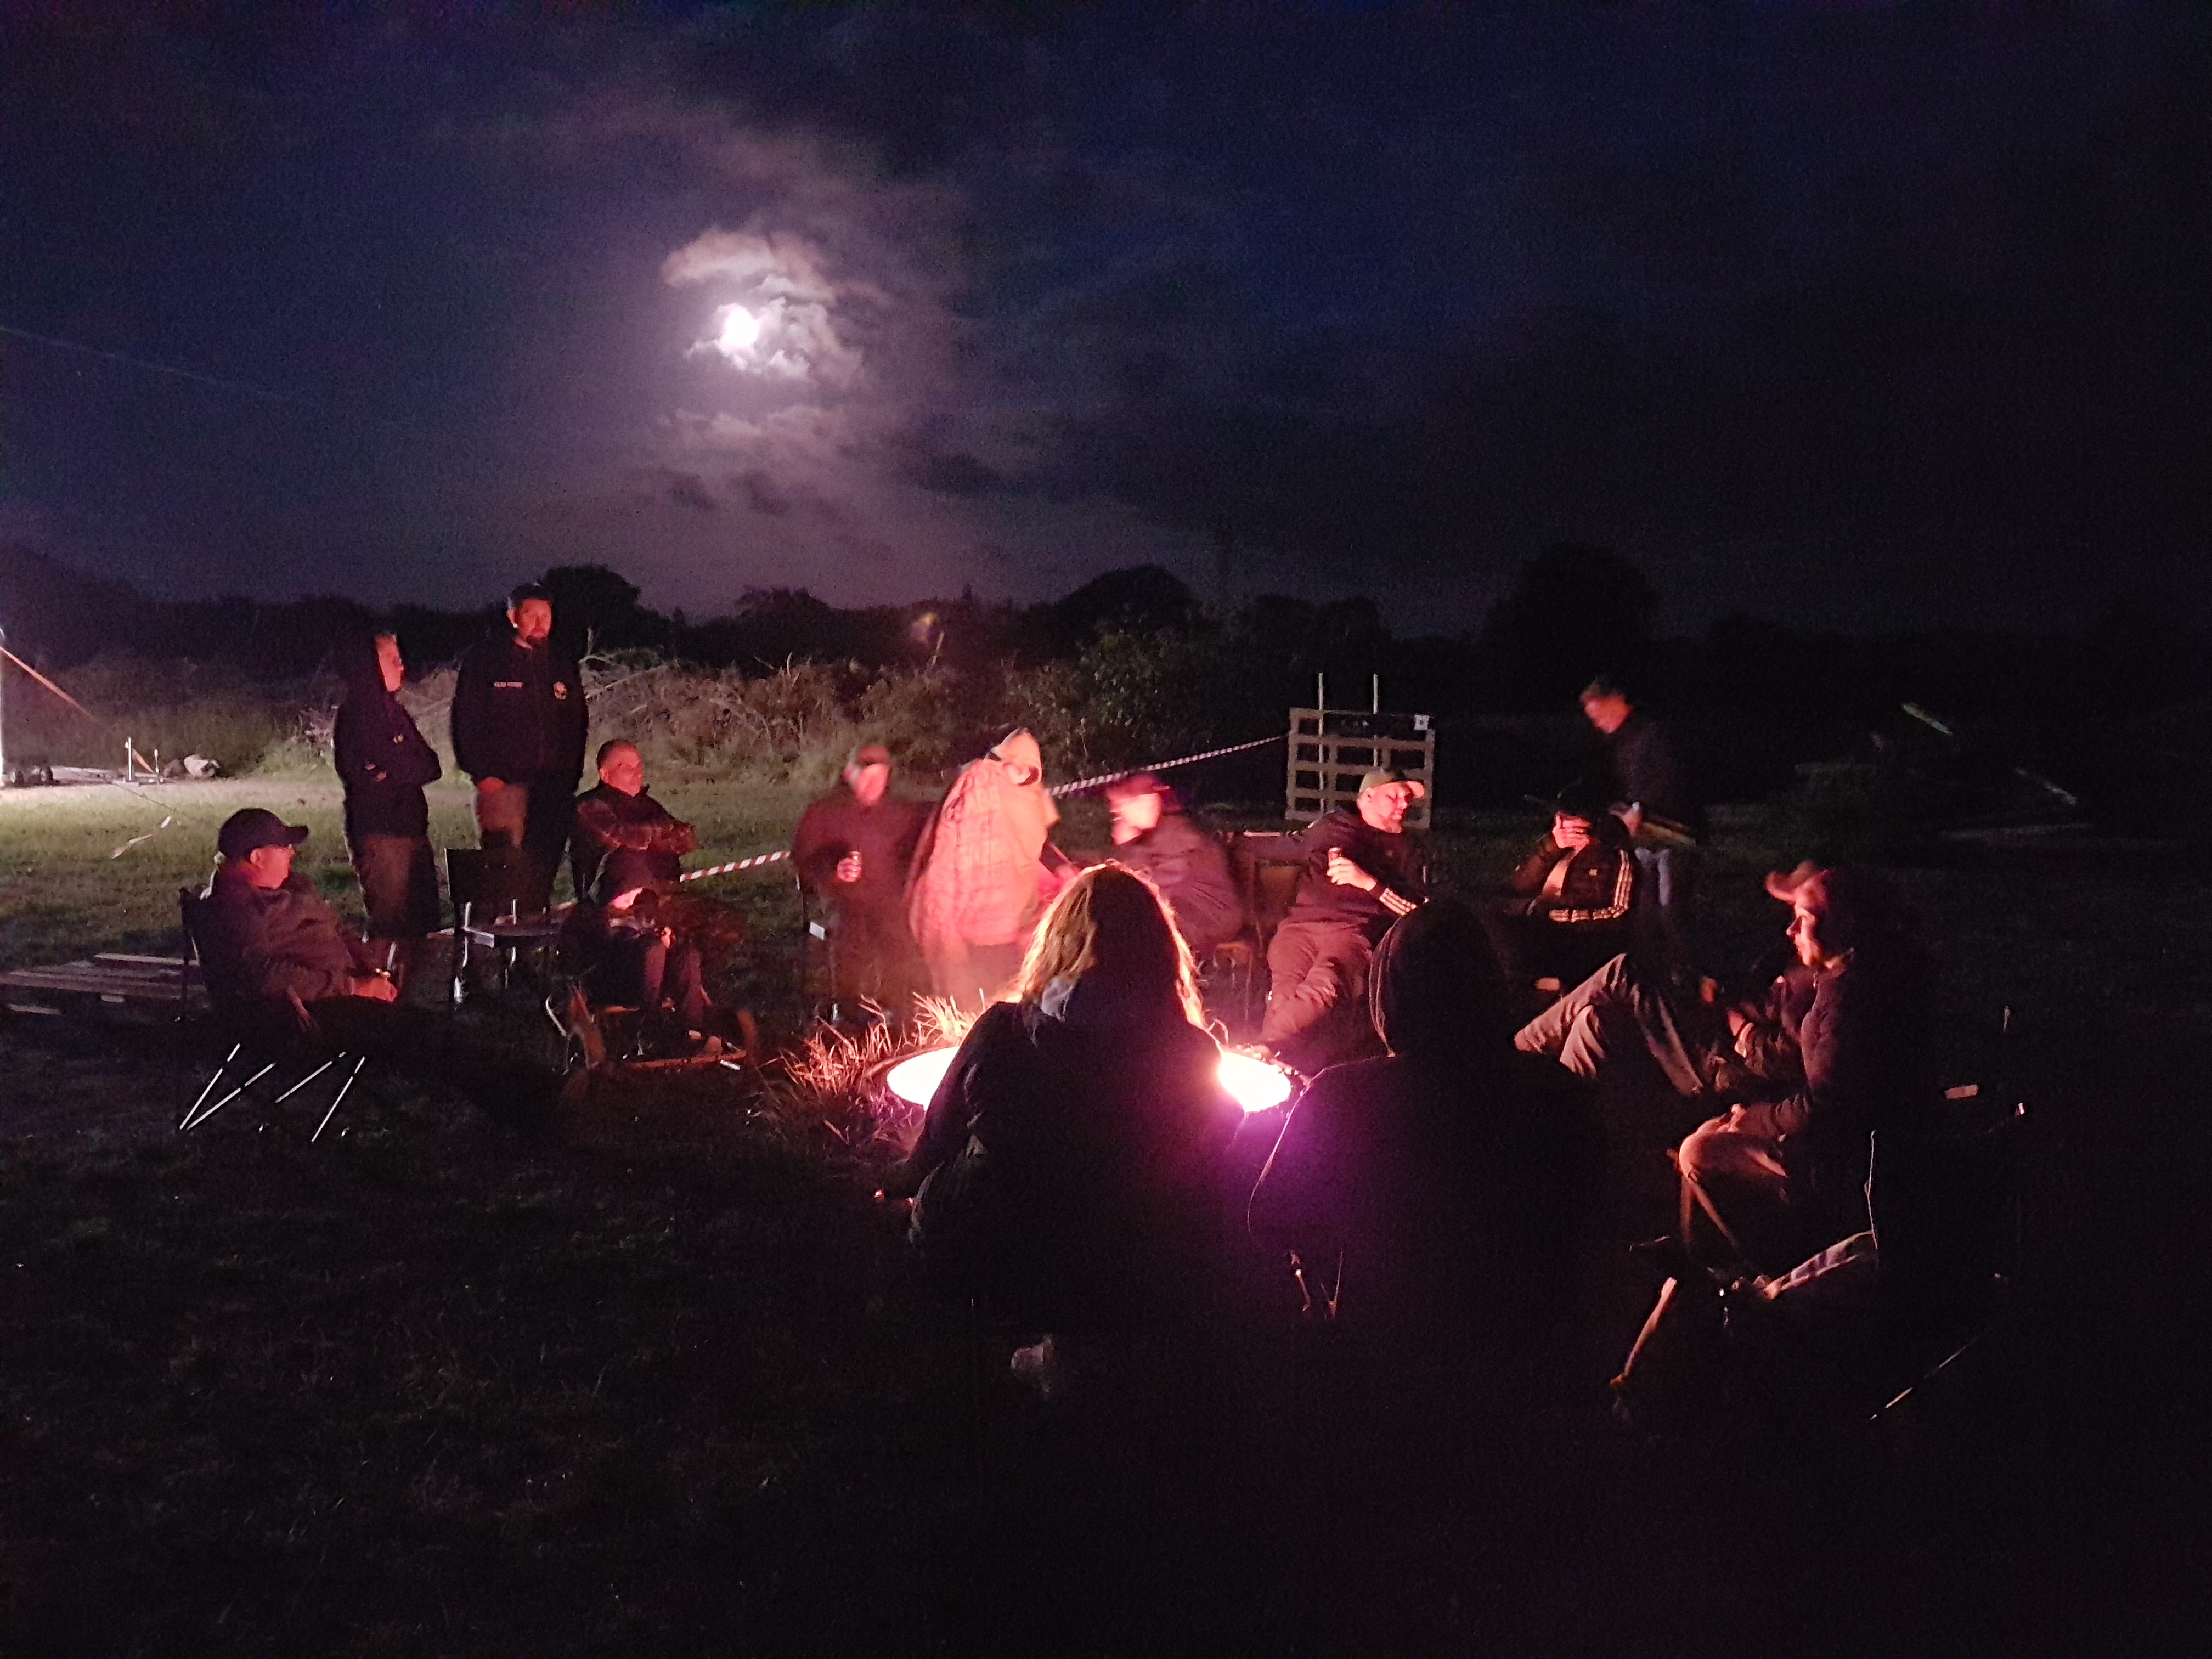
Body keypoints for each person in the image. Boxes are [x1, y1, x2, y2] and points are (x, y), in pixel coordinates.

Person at [1248, 901, 1599, 1453]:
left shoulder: (1343, 1096)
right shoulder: (1557, 1092)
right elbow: (1593, 1216)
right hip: (1524, 1364)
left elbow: (1271, 1219)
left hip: (1384, 1363)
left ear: (1389, 993)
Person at [891, 864, 1242, 1393]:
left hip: (1000, 1258)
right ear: (1160, 954)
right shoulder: (1192, 1053)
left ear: (1057, 944)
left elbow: (936, 1143)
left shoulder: (1004, 1031)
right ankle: (1090, 1360)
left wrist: (894, 1187)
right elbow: (1222, 1144)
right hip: (1133, 1267)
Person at [198, 809, 553, 1110]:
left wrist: (369, 965)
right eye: (284, 847)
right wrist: (356, 987)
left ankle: (535, 1089)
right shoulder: (235, 908)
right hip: (309, 1018)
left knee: (430, 1028)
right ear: (257, 857)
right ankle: (538, 1099)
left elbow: (339, 929)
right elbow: (267, 977)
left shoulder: (290, 888)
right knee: (429, 1036)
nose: (292, 853)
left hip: (346, 992)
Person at [1254, 768, 1427, 1073]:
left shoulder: (1407, 850)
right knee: (1285, 990)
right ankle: (1282, 1065)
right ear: (1368, 797)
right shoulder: (1334, 828)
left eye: (1407, 799)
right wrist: (1226, 841)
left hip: (1353, 932)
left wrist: (1369, 883)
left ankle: (1266, 1050)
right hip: (1300, 927)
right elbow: (1287, 844)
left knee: (1327, 983)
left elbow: (1416, 912)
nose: (1404, 804)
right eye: (1395, 796)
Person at [905, 729, 1076, 1008]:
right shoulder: (975, 795)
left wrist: (1061, 870)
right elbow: (948, 860)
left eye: (1028, 769)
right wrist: (946, 934)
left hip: (1022, 928)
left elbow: (1034, 847)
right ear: (1000, 761)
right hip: (979, 931)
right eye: (1014, 765)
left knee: (1020, 1002)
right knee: (981, 1004)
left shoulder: (1030, 799)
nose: (1020, 773)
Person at [450, 582, 588, 911]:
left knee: (542, 868)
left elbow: (577, 722)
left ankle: (533, 931)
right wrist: (482, 773)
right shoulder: (486, 659)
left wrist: (571, 775)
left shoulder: (561, 662)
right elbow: (465, 720)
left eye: (546, 616)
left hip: (553, 786)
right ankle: (498, 933)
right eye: (531, 615)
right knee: (505, 871)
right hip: (504, 785)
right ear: (513, 617)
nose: (540, 623)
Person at [569, 739, 745, 979]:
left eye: (639, 766)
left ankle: (687, 983)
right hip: (617, 907)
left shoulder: (649, 806)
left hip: (664, 897)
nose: (638, 774)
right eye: (627, 768)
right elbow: (623, 835)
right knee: (647, 949)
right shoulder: (590, 806)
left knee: (725, 923)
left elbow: (686, 839)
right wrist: (660, 834)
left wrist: (649, 836)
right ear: (605, 774)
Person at [331, 631, 442, 986]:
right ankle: (376, 992)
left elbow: (430, 765)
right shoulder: (357, 715)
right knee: (389, 923)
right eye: (393, 660)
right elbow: (364, 772)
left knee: (422, 920)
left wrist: (393, 770)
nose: (402, 666)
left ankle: (411, 992)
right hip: (380, 831)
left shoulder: (395, 711)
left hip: (412, 828)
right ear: (371, 666)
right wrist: (400, 767)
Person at [792, 743, 929, 1014]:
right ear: (849, 774)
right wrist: (834, 871)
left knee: (902, 942)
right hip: (842, 901)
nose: (872, 785)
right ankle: (847, 1012)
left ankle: (900, 1012)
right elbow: (803, 859)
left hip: (888, 901)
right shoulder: (825, 813)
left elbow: (920, 853)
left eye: (879, 777)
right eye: (866, 777)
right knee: (849, 940)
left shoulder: (902, 814)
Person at [1580, 676, 1705, 971]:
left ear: (1616, 700)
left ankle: (1693, 976)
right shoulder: (1621, 743)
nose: (1597, 723)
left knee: (1671, 909)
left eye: (1598, 714)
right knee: (1645, 912)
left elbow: (1673, 781)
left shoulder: (1655, 733)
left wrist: (1641, 808)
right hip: (1647, 841)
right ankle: (1654, 976)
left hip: (1674, 837)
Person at [1487, 778, 1639, 995]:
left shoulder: (1614, 857)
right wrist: (1551, 848)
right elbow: (1520, 885)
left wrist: (1549, 913)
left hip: (1573, 940)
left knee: (1505, 936)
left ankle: (1528, 989)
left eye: (1566, 818)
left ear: (1588, 823)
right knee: (1485, 916)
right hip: (1536, 926)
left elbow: (1619, 914)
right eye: (1558, 816)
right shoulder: (1558, 847)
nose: (1558, 823)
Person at [1101, 772, 1244, 958]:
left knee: (1130, 934)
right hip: (1182, 912)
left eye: (1125, 803)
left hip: (1207, 917)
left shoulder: (1178, 834)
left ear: (1149, 802)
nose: (1116, 810)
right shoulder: (1151, 837)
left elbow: (1150, 886)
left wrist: (1128, 845)